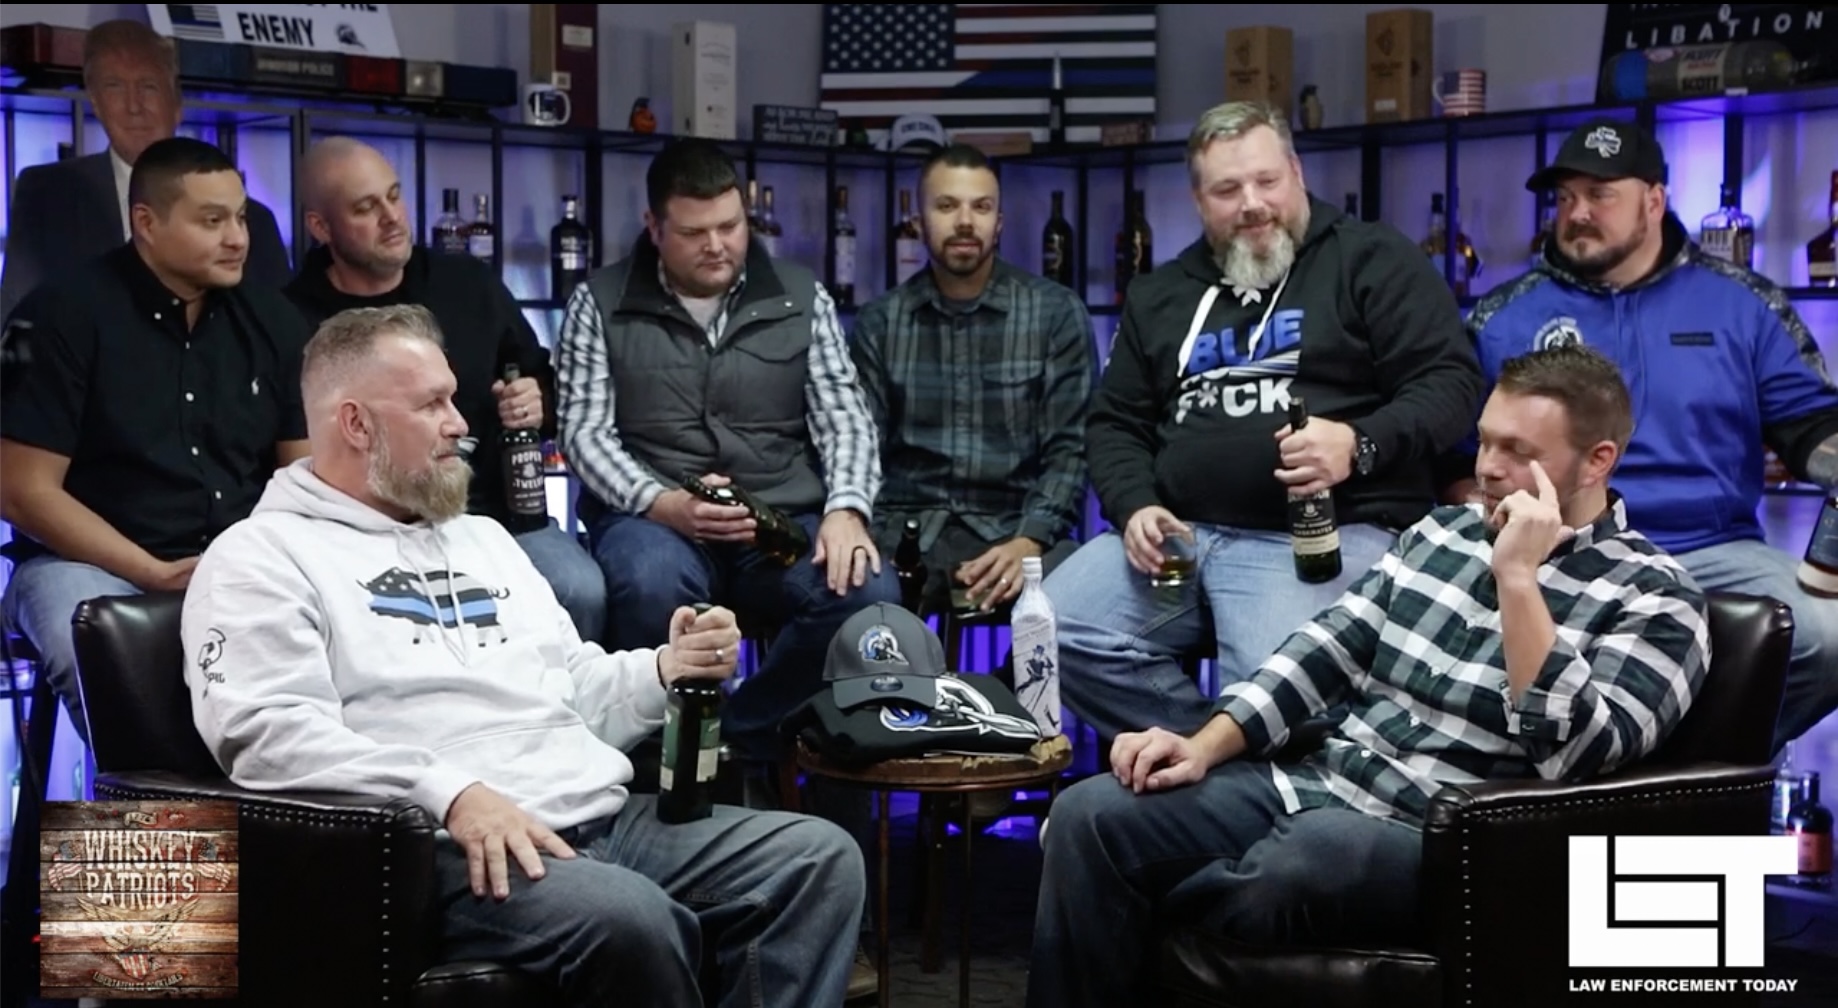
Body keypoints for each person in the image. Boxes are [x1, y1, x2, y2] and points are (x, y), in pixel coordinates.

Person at [180, 304, 866, 1007]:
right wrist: (450, 793)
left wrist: (665, 668)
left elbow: (570, 686)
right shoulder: (261, 557)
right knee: (629, 916)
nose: (460, 423)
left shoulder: (482, 538)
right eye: (432, 405)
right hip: (449, 851)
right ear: (356, 424)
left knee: (818, 858)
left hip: (598, 815)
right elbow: (267, 733)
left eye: (453, 398)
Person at [1027, 344, 1710, 1008]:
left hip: (1453, 836)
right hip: (1323, 782)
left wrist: (1518, 580)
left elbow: (1577, 758)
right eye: (1484, 442)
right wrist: (1202, 745)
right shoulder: (1440, 533)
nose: (1487, 469)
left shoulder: (1657, 596)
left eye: (1518, 451)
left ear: (1598, 461)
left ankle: (1126, 914)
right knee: (1091, 814)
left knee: (1311, 856)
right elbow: (1326, 649)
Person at [1046, 100, 1483, 742]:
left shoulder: (1372, 259)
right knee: (1051, 628)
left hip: (1319, 535)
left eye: (1267, 181)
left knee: (1278, 685)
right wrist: (1135, 504)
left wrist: (1358, 443)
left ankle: (1234, 757)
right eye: (1227, 190)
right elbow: (1115, 423)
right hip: (1181, 540)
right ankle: (1211, 754)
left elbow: (1452, 384)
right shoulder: (1160, 293)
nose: (1252, 204)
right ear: (1199, 200)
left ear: (1297, 174)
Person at [1455, 117, 1838, 750]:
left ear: (1654, 200)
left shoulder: (1741, 301)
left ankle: (1695, 769)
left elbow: (1809, 424)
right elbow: (1455, 453)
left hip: (1714, 547)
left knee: (1829, 637)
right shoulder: (1504, 315)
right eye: (1566, 197)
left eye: (1600, 195)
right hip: (1563, 545)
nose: (1577, 213)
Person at [555, 136, 899, 765]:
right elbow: (583, 433)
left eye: (731, 226)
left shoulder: (800, 296)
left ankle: (741, 738)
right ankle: (654, 764)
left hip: (779, 518)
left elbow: (846, 419)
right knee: (650, 584)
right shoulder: (599, 302)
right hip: (653, 521)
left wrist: (847, 510)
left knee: (868, 592)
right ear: (654, 227)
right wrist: (661, 502)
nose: (717, 245)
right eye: (694, 232)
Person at [0, 136, 312, 743]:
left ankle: (280, 799)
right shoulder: (62, 313)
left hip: (240, 561)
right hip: (86, 563)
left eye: (241, 218)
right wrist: (151, 571)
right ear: (146, 223)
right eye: (212, 221)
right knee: (100, 644)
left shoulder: (273, 321)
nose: (238, 239)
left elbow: (303, 476)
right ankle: (150, 807)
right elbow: (21, 491)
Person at [284, 136, 608, 644]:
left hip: (493, 516)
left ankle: (552, 696)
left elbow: (538, 380)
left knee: (579, 589)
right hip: (360, 530)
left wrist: (535, 400)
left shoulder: (468, 284)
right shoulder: (291, 317)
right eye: (366, 208)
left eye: (395, 196)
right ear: (321, 227)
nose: (392, 217)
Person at [851, 142, 1095, 614]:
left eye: (981, 207)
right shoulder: (881, 322)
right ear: (919, 221)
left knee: (1079, 591)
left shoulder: (1055, 314)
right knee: (847, 590)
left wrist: (1030, 540)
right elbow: (861, 452)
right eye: (947, 206)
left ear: (998, 222)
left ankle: (1005, 670)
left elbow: (1071, 452)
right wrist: (867, 532)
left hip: (1013, 529)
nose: (965, 222)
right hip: (904, 535)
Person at [0, 19, 290, 324]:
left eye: (148, 86)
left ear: (176, 102)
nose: (134, 106)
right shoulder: (48, 194)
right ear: (95, 103)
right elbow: (18, 323)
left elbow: (279, 333)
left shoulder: (255, 222)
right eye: (114, 87)